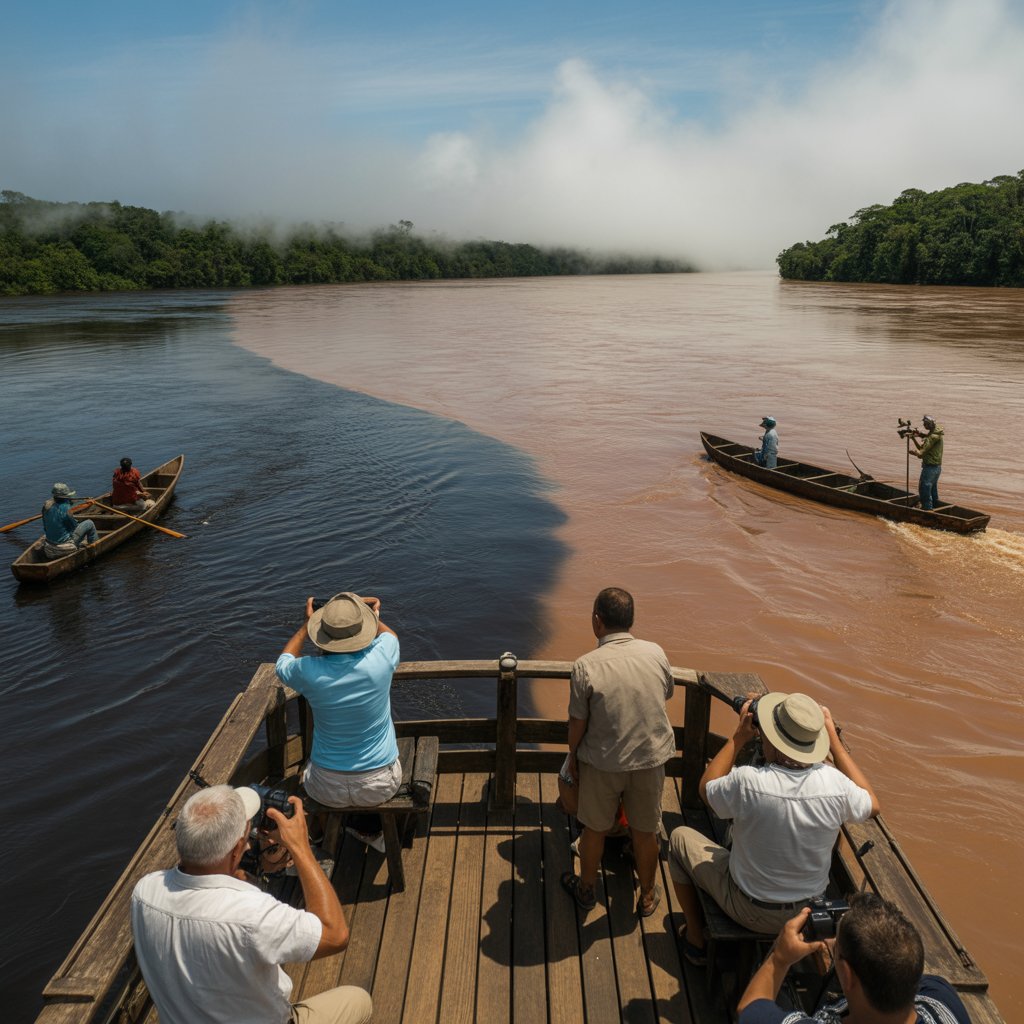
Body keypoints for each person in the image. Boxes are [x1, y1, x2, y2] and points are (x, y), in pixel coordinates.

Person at [667, 693, 879, 966]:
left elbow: (706, 788)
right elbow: (872, 804)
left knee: (678, 839)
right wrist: (835, 744)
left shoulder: (748, 783)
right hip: (809, 910)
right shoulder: (836, 785)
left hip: (749, 910)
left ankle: (696, 941)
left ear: (776, 744)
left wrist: (738, 737)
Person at [130, 785, 371, 1024]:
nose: (250, 841)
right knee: (359, 1000)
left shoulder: (145, 891)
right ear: (237, 851)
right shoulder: (253, 915)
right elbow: (335, 935)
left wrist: (233, 876)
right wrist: (300, 847)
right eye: (247, 835)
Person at [560, 587, 675, 919]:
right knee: (646, 829)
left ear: (597, 621)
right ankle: (649, 895)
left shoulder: (586, 666)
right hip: (651, 757)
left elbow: (577, 724)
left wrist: (573, 756)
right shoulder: (655, 652)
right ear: (631, 620)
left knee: (593, 828)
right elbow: (665, 692)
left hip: (604, 761)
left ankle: (586, 890)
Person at [276, 592, 401, 853]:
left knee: (311, 779)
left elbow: (283, 663)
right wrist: (371, 614)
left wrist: (305, 624)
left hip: (325, 785)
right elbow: (390, 636)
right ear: (363, 630)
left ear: (321, 633)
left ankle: (321, 835)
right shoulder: (382, 658)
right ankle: (367, 829)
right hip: (380, 784)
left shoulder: (308, 670)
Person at [737, 893, 971, 1023]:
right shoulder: (941, 999)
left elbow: (749, 1007)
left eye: (836, 951)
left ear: (847, 975)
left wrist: (780, 957)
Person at [41, 482, 97, 557]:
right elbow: (73, 528)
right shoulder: (66, 509)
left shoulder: (45, 507)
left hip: (49, 546)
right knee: (89, 523)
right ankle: (94, 548)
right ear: (66, 497)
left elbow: (45, 527)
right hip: (65, 547)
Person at [909, 415, 943, 511]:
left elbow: (920, 453)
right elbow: (923, 447)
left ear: (929, 424)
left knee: (924, 488)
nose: (924, 426)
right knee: (932, 490)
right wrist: (915, 437)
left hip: (930, 468)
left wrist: (913, 452)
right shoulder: (935, 434)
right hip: (937, 468)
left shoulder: (932, 437)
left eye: (925, 424)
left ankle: (927, 510)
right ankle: (935, 507)